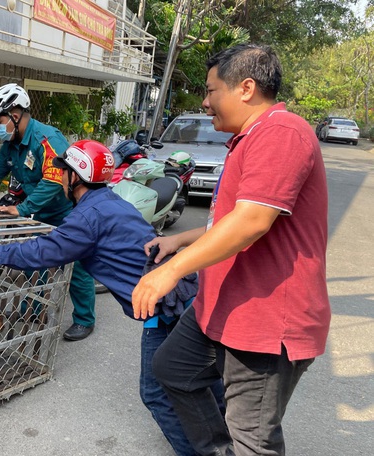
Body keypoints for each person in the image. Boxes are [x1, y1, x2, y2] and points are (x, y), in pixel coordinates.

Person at [131, 44, 330, 456]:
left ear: (246, 88)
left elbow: (253, 221)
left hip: (265, 322)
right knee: (172, 369)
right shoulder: (248, 138)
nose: (205, 102)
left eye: (211, 90)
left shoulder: (282, 131)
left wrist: (169, 271)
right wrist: (179, 239)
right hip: (222, 308)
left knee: (253, 439)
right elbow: (229, 221)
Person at [0, 139, 222, 456]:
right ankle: (223, 438)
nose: (59, 178)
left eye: (63, 172)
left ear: (76, 177)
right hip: (177, 299)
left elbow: (45, 251)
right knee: (199, 377)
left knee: (158, 391)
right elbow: (59, 240)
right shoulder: (109, 202)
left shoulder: (88, 217)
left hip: (170, 306)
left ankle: (205, 451)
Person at [0, 83, 97, 341]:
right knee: (37, 262)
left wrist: (22, 209)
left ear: (15, 114)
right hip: (40, 213)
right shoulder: (12, 145)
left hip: (68, 212)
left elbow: (53, 181)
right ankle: (33, 309)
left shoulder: (47, 139)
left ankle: (84, 319)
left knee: (77, 265)